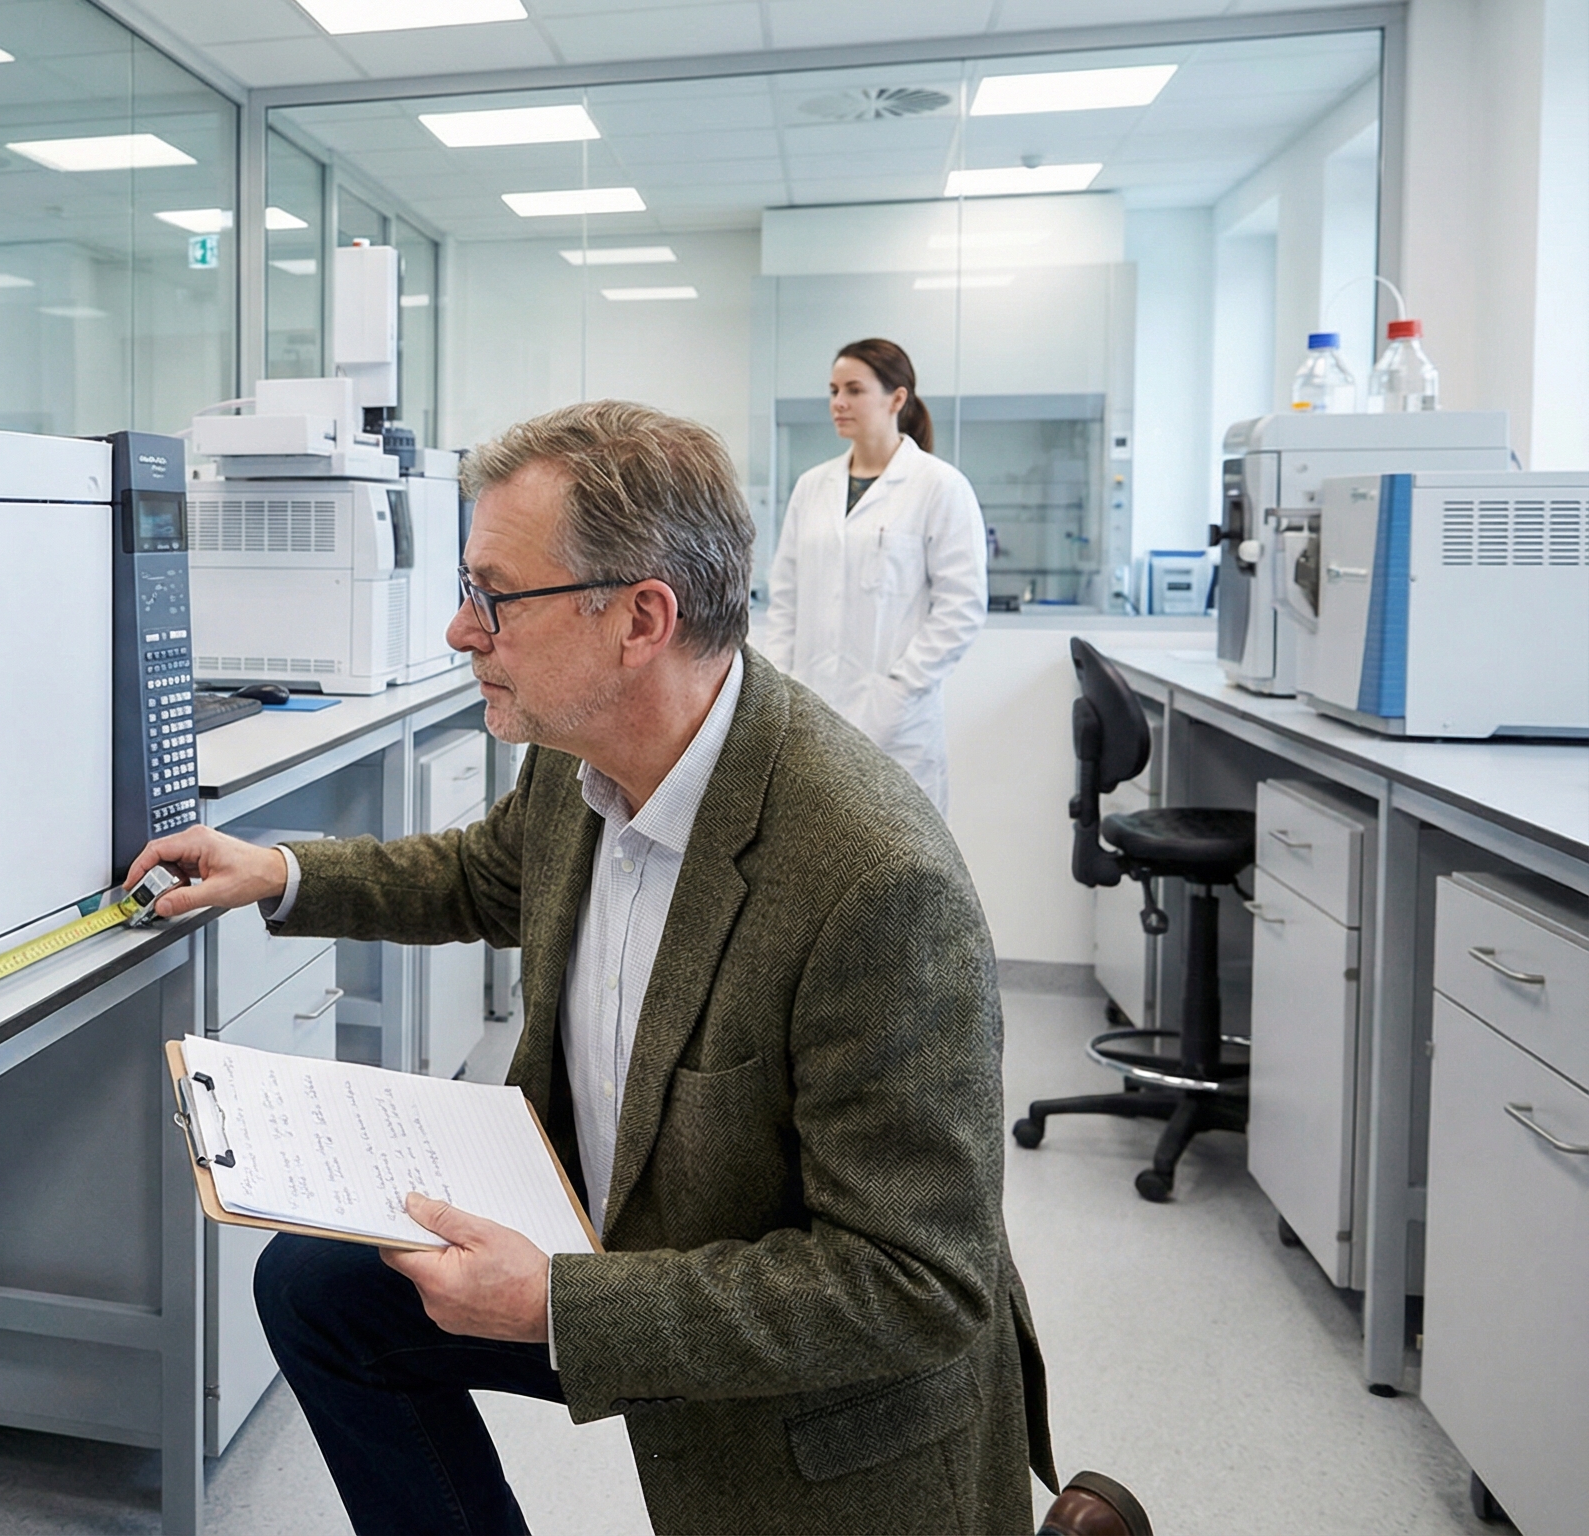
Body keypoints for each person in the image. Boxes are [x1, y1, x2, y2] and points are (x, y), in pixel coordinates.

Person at [126, 400, 1052, 1535]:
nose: (463, 632)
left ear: (640, 620)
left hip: (828, 1411)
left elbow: (916, 1285)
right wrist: (277, 870)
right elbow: (481, 875)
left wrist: (561, 1303)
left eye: (493, 596)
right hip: (624, 1230)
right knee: (323, 1295)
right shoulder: (585, 768)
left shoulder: (872, 881)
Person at [756, 337, 987, 812]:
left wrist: (896, 694)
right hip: (811, 717)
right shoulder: (812, 487)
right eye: (834, 389)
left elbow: (960, 609)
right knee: (818, 862)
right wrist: (784, 686)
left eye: (854, 390)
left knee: (902, 868)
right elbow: (786, 600)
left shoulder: (939, 486)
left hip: (898, 728)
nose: (838, 403)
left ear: (896, 398)